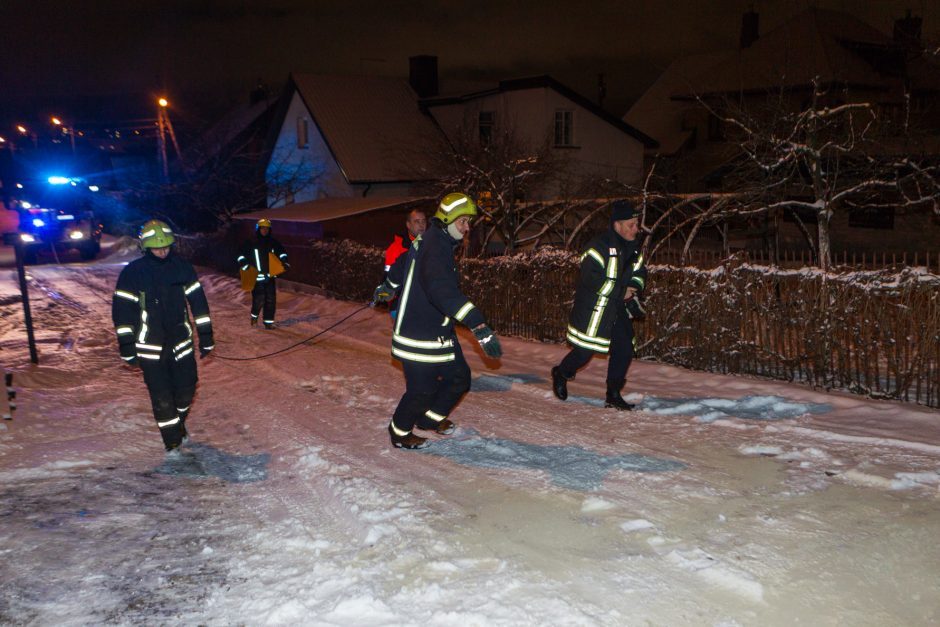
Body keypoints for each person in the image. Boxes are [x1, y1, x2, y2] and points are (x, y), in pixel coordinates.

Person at [373, 192, 503, 449]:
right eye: (463, 221)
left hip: (438, 330)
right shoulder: (435, 248)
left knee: (459, 378)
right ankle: (399, 432)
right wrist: (478, 325)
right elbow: (442, 292)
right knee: (422, 390)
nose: (467, 228)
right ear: (448, 219)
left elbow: (403, 262)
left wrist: (389, 285)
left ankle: (428, 420)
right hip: (418, 333)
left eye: (468, 222)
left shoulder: (431, 240)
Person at [112, 219, 215, 453]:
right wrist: (127, 346)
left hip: (181, 344)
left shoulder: (182, 268)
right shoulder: (133, 273)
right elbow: (122, 313)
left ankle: (178, 423)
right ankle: (172, 442)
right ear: (146, 247)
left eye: (166, 247)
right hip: (150, 349)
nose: (162, 251)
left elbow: (198, 304)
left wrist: (206, 336)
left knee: (187, 390)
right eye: (157, 248)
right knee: (162, 398)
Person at [550, 199, 647, 410]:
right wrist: (622, 292)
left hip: (616, 309)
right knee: (585, 351)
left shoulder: (634, 249)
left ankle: (613, 394)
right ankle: (562, 372)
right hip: (594, 309)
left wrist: (634, 287)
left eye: (636, 224)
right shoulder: (597, 247)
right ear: (617, 224)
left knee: (624, 349)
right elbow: (591, 280)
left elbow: (640, 273)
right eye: (631, 224)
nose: (636, 229)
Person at [237, 218, 288, 329]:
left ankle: (268, 322)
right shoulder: (251, 242)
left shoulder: (273, 242)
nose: (265, 230)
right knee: (259, 299)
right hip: (256, 277)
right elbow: (241, 255)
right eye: (262, 228)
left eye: (267, 229)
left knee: (270, 300)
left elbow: (282, 253)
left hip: (270, 276)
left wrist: (284, 261)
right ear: (258, 229)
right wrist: (244, 264)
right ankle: (254, 317)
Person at [382, 209, 427, 319]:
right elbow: (387, 280)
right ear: (408, 224)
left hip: (427, 306)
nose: (421, 225)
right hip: (402, 307)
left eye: (423, 221)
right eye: (417, 221)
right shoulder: (396, 248)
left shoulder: (432, 246)